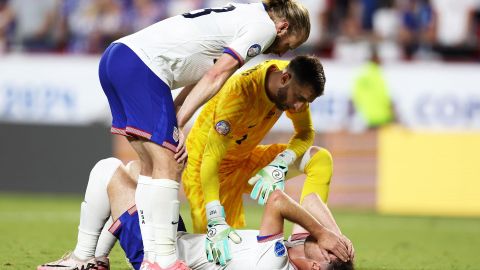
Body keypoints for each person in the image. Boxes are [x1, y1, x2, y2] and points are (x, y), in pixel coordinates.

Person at [97, 1, 311, 269]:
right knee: (170, 163)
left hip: (119, 58)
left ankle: (140, 257)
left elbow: (203, 77)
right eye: (290, 44)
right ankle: (163, 260)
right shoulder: (263, 29)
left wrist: (175, 115)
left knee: (151, 167)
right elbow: (215, 75)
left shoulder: (244, 16)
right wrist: (178, 125)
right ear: (283, 27)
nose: (284, 51)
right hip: (144, 66)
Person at [39, 158, 354, 270]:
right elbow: (312, 200)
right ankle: (98, 260)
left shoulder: (275, 259)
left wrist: (325, 234)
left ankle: (83, 260)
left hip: (158, 255)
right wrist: (335, 238)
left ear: (315, 266)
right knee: (139, 171)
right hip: (175, 241)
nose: (317, 235)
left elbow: (276, 200)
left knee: (108, 171)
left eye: (325, 248)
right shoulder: (296, 253)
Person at [180, 55, 334, 265]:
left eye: (305, 101)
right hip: (207, 170)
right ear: (284, 78)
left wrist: (281, 162)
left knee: (320, 159)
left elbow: (305, 132)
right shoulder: (239, 93)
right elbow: (211, 157)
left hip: (245, 159)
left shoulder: (295, 81)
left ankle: (302, 240)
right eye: (299, 98)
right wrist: (215, 217)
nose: (299, 107)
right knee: (218, 257)